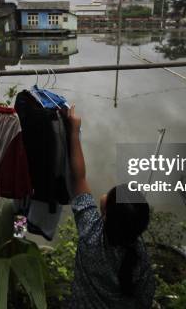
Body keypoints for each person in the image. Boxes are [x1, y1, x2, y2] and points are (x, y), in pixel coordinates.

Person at [67, 105, 155, 309]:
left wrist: (73, 132)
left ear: (105, 214)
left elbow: (78, 177)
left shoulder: (90, 232)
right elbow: (145, 299)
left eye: (110, 195)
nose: (105, 195)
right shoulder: (139, 258)